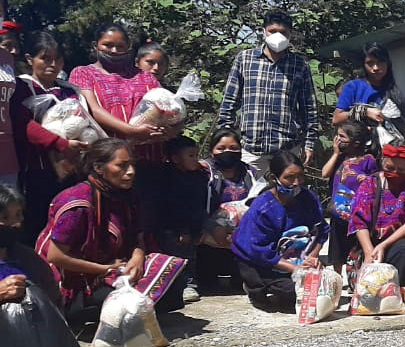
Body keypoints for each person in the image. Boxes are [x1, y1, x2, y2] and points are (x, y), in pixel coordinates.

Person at [36, 139, 187, 322]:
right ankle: (78, 312)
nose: (131, 171)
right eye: (122, 166)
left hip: (113, 267)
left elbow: (138, 237)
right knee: (125, 302)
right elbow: (56, 256)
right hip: (75, 279)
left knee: (173, 286)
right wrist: (105, 268)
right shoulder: (77, 203)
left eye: (132, 165)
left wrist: (137, 259)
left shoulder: (126, 197)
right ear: (99, 168)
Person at [0, 184, 102, 347]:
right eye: (4, 218)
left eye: (18, 216)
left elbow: (52, 305)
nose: (14, 224)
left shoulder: (26, 259)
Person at [9, 32, 92, 242]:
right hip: (37, 172)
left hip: (72, 170)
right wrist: (61, 144)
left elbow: (86, 121)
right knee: (39, 222)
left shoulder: (70, 90)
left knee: (69, 221)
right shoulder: (22, 88)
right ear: (30, 59)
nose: (53, 64)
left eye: (58, 59)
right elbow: (24, 125)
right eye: (45, 58)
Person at [216, 10, 319, 167]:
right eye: (273, 31)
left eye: (283, 32)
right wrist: (225, 137)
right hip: (250, 149)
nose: (278, 36)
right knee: (245, 184)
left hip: (287, 148)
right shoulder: (245, 59)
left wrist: (309, 143)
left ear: (290, 34)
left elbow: (309, 107)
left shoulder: (299, 65)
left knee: (288, 184)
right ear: (264, 31)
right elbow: (229, 101)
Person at [230, 149, 328, 311]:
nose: (296, 182)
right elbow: (259, 250)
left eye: (300, 176)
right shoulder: (263, 207)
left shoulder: (308, 198)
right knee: (294, 291)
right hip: (259, 260)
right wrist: (296, 269)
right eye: (289, 177)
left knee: (321, 287)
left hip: (296, 255)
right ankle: (255, 287)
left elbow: (321, 230)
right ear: (274, 178)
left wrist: (311, 257)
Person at [68, 24, 171, 168]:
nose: (114, 51)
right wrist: (132, 131)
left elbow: (167, 107)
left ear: (128, 47)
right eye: (108, 45)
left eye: (120, 46)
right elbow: (93, 110)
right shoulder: (83, 73)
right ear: (95, 45)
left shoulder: (145, 76)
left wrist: (168, 129)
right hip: (109, 162)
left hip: (150, 158)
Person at [348, 142, 405, 285]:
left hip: (401, 241)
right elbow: (358, 221)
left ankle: (395, 287)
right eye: (390, 168)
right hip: (372, 242)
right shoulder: (370, 183)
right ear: (382, 163)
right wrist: (369, 252)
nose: (395, 173)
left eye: (401, 170)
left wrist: (384, 245)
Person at [198, 128, 264, 290]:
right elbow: (195, 205)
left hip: (242, 233)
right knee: (208, 283)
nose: (227, 152)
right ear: (212, 152)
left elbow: (261, 202)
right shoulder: (204, 172)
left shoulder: (251, 173)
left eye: (233, 148)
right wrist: (213, 225)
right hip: (209, 232)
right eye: (221, 148)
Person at [157, 135, 210, 304]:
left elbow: (199, 203)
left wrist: (199, 226)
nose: (196, 160)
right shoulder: (169, 179)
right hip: (174, 228)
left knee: (191, 255)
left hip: (194, 224)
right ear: (175, 159)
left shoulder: (198, 177)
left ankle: (190, 283)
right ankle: (184, 284)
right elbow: (173, 207)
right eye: (191, 156)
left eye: (197, 155)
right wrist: (182, 230)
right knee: (179, 255)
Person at [320, 121, 377, 270]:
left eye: (342, 137)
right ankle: (337, 276)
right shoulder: (340, 158)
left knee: (354, 250)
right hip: (338, 213)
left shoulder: (368, 160)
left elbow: (375, 181)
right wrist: (335, 154)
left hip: (357, 215)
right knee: (337, 252)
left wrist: (366, 179)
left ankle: (355, 275)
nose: (337, 140)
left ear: (356, 142)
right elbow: (325, 173)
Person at [334, 40, 405, 150]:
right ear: (363, 65)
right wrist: (364, 112)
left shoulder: (395, 93)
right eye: (370, 63)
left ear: (388, 64)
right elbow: (336, 119)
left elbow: (401, 130)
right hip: (358, 153)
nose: (375, 68)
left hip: (389, 154)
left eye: (381, 62)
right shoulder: (353, 87)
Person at [0, 22, 17, 189]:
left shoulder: (8, 60)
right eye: (8, 45)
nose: (14, 51)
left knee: (10, 199)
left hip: (7, 145)